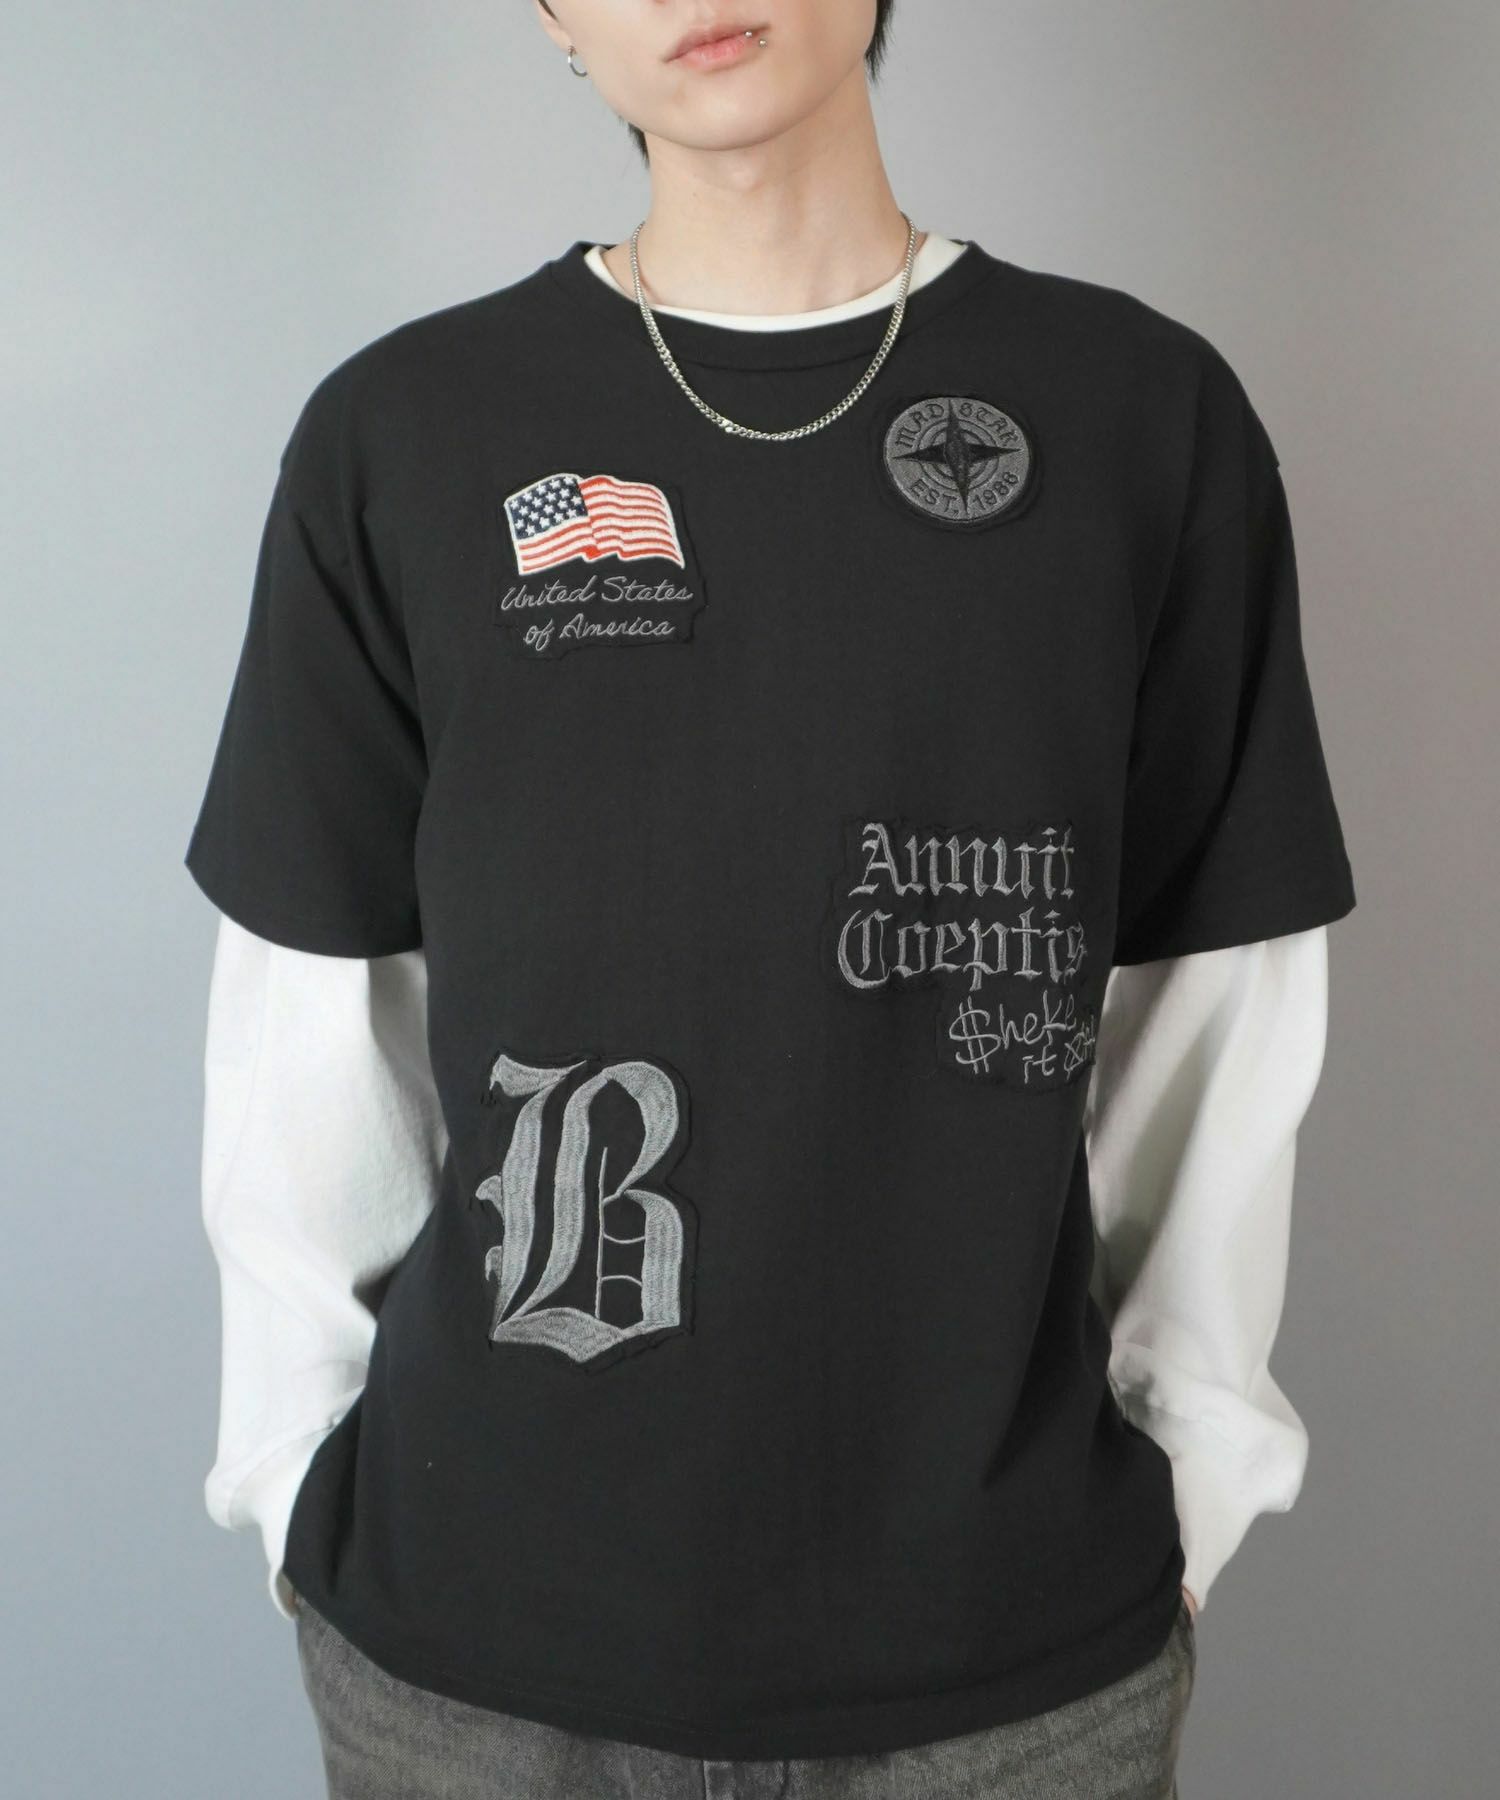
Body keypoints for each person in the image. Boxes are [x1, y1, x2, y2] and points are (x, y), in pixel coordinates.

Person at [184, 3, 1357, 1795]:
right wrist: (291, 1479)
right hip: (481, 1663)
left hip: (1010, 1668)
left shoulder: (1138, 413)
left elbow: (1218, 987)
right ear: (555, 18)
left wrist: (1191, 1478)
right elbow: (312, 1010)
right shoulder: (405, 431)